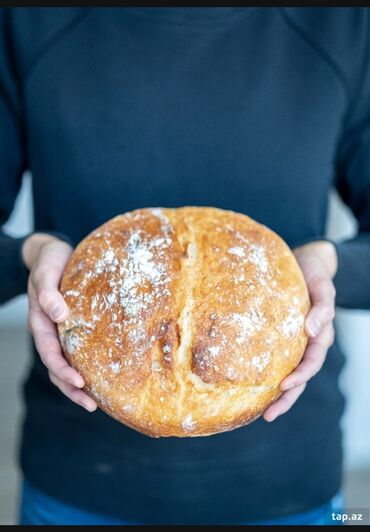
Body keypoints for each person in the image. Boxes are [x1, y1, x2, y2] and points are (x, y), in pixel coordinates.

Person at [1, 7, 369, 526]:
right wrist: (28, 258)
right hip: (79, 484)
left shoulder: (345, 25)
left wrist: (332, 267)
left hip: (286, 485)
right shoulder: (28, 21)